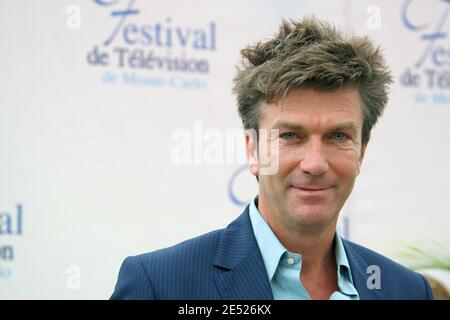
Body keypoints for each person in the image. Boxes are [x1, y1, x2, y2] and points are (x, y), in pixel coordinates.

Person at [111, 17, 433, 300]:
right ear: (253, 151)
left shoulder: (407, 290)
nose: (315, 163)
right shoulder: (160, 286)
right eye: (290, 136)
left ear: (362, 151)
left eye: (338, 136)